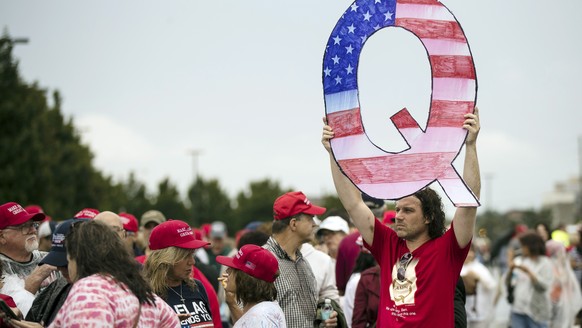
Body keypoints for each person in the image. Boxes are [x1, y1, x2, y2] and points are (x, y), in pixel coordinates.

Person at [322, 108, 481, 327]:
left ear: (429, 216)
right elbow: (353, 203)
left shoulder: (448, 250)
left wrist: (471, 147)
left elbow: (468, 205)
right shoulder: (388, 244)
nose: (398, 216)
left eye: (407, 210)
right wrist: (334, 153)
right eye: (397, 210)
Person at [8, 220, 180, 327]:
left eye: (68, 258)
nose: (62, 267)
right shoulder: (140, 290)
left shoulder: (89, 290)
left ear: (80, 257)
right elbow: (172, 322)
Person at [264, 191, 338, 327]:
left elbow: (313, 308)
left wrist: (324, 318)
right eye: (310, 218)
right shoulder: (263, 262)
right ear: (293, 224)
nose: (315, 224)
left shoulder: (303, 262)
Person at [143, 220, 216, 327]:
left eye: (192, 254)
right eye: (185, 255)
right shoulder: (147, 295)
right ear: (166, 258)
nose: (192, 262)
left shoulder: (197, 287)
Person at [25, 218, 90, 326]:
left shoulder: (99, 296)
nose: (60, 269)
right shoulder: (57, 286)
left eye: (66, 263)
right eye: (57, 263)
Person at [0, 202, 55, 317]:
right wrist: (36, 278)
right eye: (23, 226)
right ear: (2, 237)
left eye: (33, 225)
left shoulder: (49, 258)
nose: (33, 230)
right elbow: (12, 314)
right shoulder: (1, 269)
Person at [218, 244, 286, 327]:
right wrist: (231, 302)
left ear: (245, 278)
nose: (228, 271)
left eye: (234, 269)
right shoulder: (261, 312)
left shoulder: (260, 317)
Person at [506, 231, 552, 328]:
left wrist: (529, 272)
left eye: (523, 246)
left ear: (531, 246)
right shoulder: (519, 260)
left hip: (536, 312)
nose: (521, 249)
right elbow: (508, 283)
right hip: (517, 310)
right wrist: (510, 270)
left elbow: (544, 286)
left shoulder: (545, 263)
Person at [461, 244, 496, 328]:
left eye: (470, 252)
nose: (468, 254)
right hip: (462, 313)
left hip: (479, 313)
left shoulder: (480, 268)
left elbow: (491, 285)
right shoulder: (457, 267)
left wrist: (478, 277)